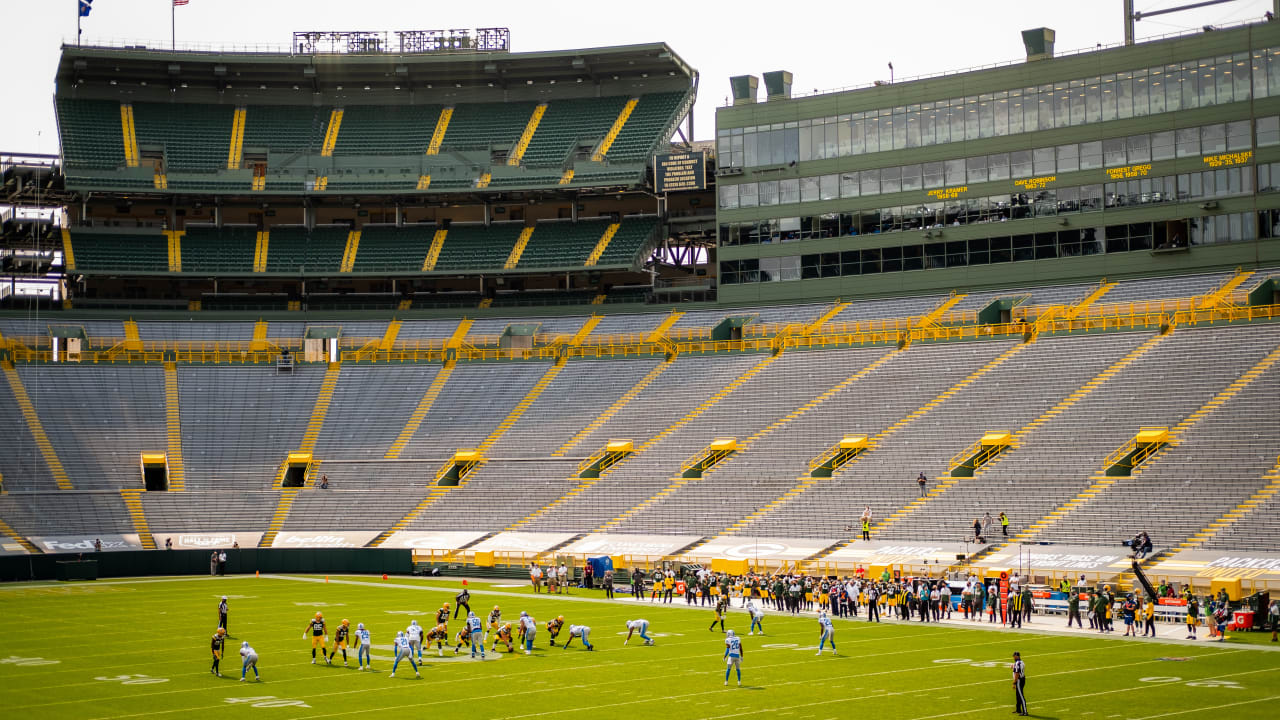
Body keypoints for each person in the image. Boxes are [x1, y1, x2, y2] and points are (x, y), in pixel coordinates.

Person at [1011, 651, 1028, 716]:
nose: (1013, 657)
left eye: (1014, 656)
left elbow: (1017, 673)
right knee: (1018, 695)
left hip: (1019, 680)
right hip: (1022, 679)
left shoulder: (1017, 663)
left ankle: (1025, 712)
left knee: (1021, 696)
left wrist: (1014, 683)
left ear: (1016, 656)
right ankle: (1018, 709)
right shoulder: (1021, 662)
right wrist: (1013, 667)